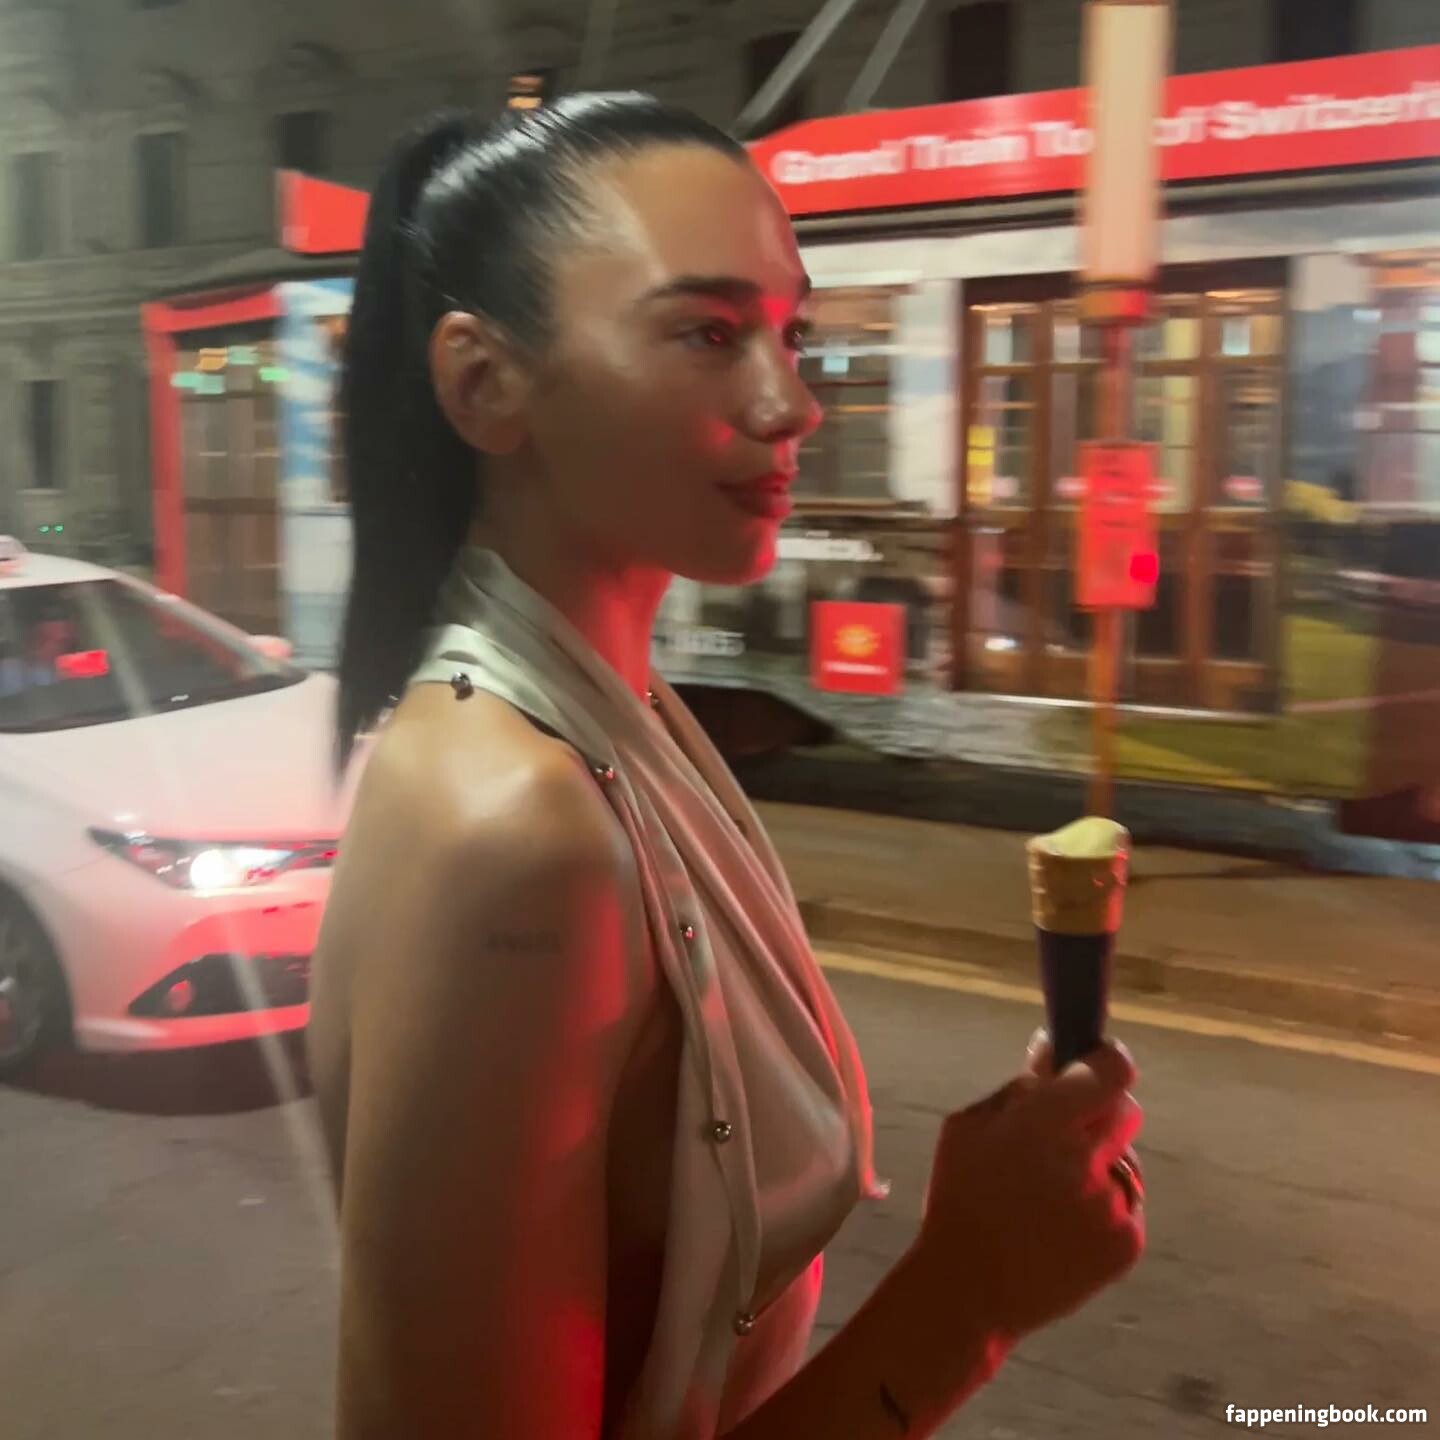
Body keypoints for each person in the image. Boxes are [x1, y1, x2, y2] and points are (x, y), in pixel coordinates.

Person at [307, 93, 1145, 1440]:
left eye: (790, 334)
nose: (790, 403)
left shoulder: (616, 722)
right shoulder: (516, 833)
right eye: (707, 333)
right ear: (483, 382)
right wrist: (971, 1296)